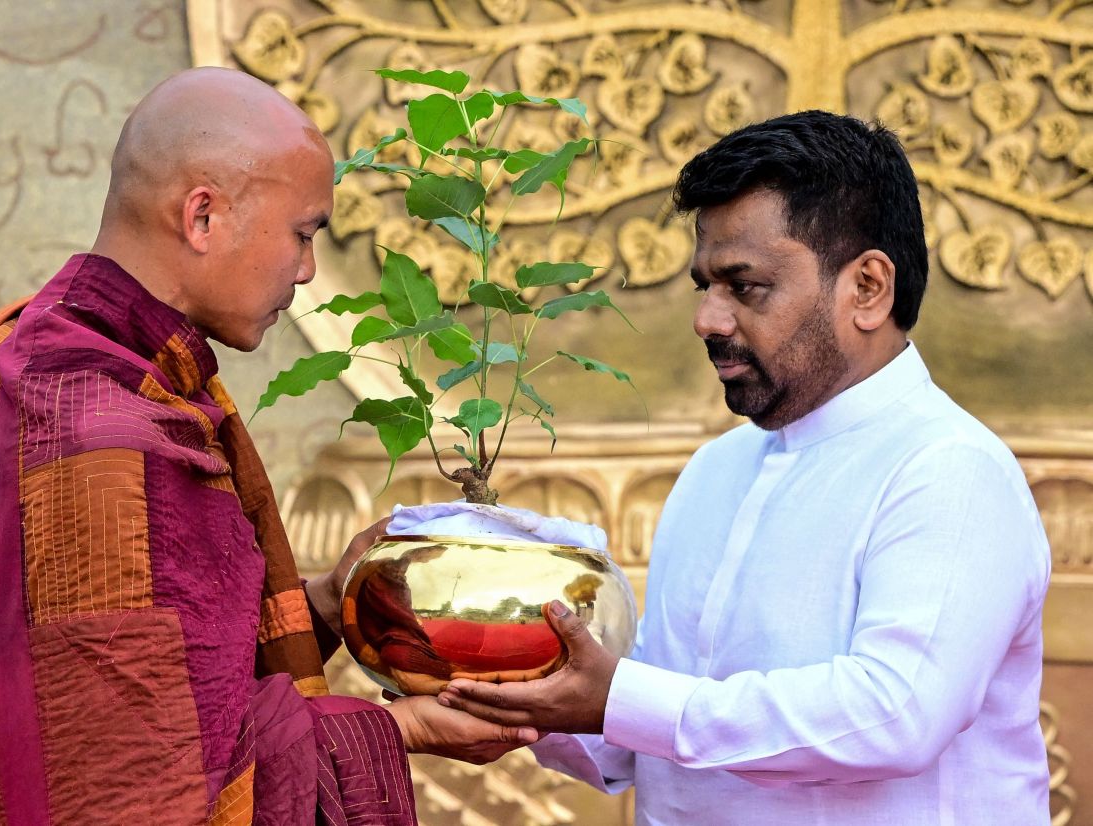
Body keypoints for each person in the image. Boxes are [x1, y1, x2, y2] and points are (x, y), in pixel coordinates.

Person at [0, 67, 536, 825]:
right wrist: (400, 727)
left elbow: (158, 688)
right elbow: (135, 778)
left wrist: (332, 601)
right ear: (203, 216)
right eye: (303, 234)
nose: (307, 271)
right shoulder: (103, 437)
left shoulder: (13, 368)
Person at [438, 111, 1052, 824]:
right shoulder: (716, 471)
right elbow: (653, 737)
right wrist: (519, 697)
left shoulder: (950, 471)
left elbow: (895, 715)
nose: (707, 318)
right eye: (705, 285)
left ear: (868, 289)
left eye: (745, 286)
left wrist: (620, 699)